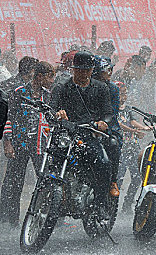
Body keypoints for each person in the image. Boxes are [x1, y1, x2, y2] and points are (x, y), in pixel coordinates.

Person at [49, 51, 113, 221]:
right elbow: (51, 110)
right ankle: (53, 196)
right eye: (79, 69)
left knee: (104, 163)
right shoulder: (61, 87)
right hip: (65, 134)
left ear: (92, 70)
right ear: (73, 69)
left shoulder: (101, 88)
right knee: (52, 161)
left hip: (88, 135)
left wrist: (102, 122)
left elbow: (108, 113)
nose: (83, 73)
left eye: (87, 69)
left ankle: (100, 204)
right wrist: (57, 114)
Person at [0, 61, 55, 227]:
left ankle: (41, 218)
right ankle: (10, 220)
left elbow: (51, 120)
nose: (52, 80)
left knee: (45, 181)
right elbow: (8, 118)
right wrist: (7, 143)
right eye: (50, 76)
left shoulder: (49, 96)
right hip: (19, 144)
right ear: (39, 76)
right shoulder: (19, 92)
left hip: (40, 146)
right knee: (13, 182)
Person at [116, 82, 151, 213]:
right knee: (119, 178)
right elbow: (118, 124)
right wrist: (134, 131)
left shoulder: (128, 109)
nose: (123, 96)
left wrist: (144, 128)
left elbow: (133, 121)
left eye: (125, 93)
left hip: (133, 147)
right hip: (121, 148)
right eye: (121, 93)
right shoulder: (112, 108)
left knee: (137, 177)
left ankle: (127, 203)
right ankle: (113, 204)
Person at [92, 55, 122, 197]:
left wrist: (103, 124)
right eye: (106, 70)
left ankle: (113, 181)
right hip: (87, 126)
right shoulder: (86, 85)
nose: (109, 72)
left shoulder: (113, 89)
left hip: (108, 128)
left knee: (113, 144)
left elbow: (112, 113)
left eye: (111, 69)